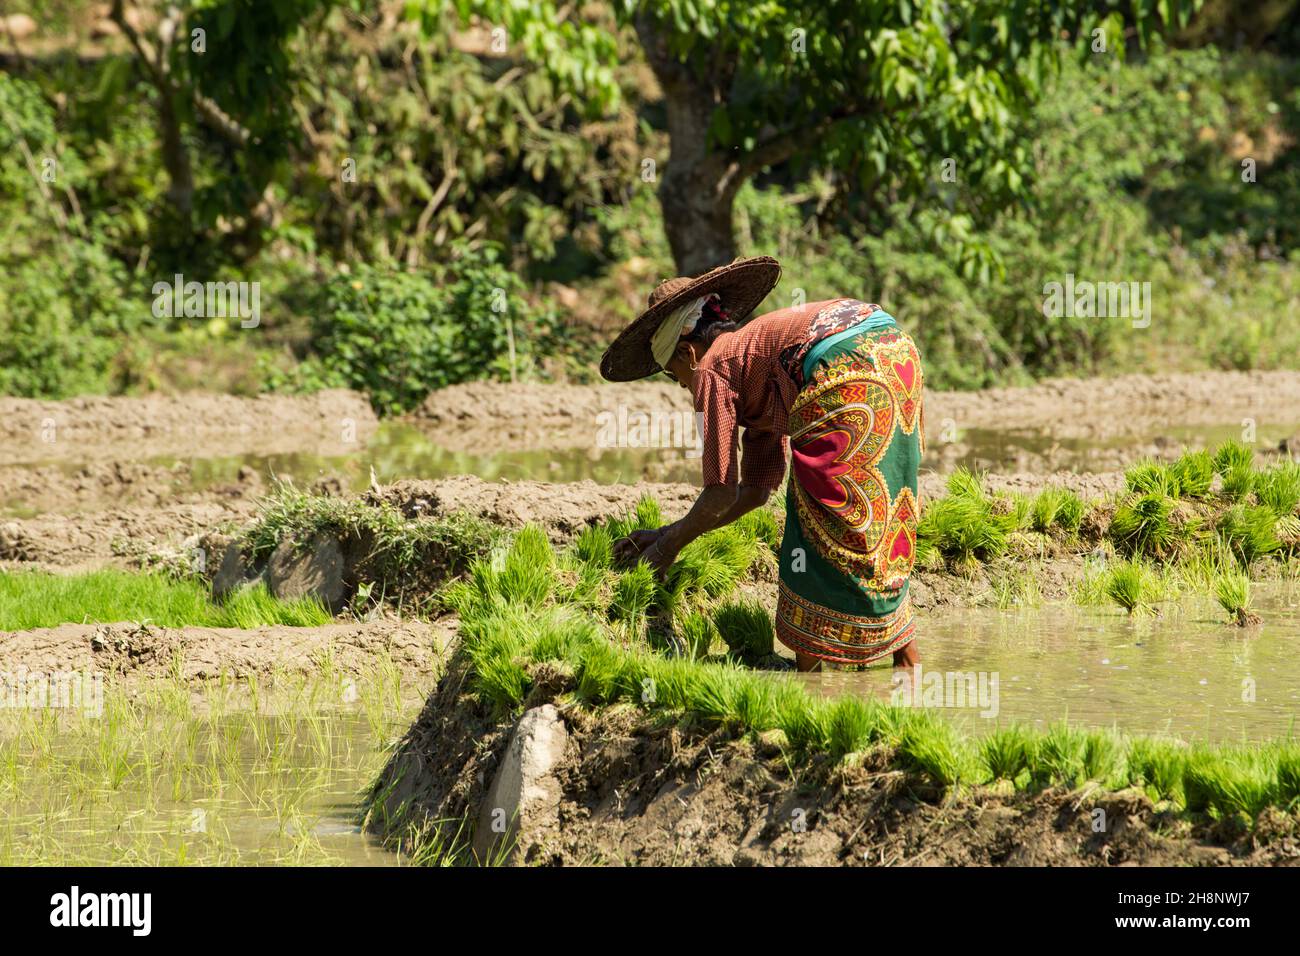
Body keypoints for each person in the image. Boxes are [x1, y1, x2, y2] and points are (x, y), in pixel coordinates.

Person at [600, 256, 923, 672]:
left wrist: (666, 547)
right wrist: (669, 531)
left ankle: (811, 677)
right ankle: (907, 664)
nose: (681, 384)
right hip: (893, 346)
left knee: (814, 518)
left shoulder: (713, 368)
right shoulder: (754, 363)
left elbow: (719, 490)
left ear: (688, 351)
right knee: (884, 504)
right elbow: (753, 492)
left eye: (673, 372)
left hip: (841, 362)